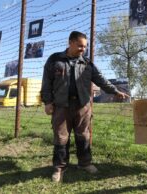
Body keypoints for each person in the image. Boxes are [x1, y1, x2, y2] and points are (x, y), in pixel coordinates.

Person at [41, 31, 129, 183]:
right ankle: (60, 167)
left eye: (85, 47)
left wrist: (115, 91)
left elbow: (101, 80)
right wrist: (48, 102)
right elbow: (46, 83)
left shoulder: (87, 64)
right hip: (61, 106)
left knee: (84, 136)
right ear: (70, 42)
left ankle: (85, 163)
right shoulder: (54, 59)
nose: (83, 49)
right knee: (61, 137)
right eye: (80, 46)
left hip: (83, 106)